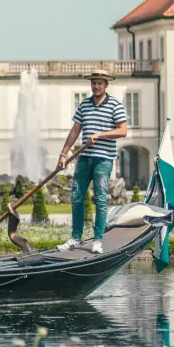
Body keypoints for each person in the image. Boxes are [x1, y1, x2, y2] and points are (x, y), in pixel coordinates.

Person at [56, 68, 129, 253]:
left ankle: (97, 240)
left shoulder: (115, 105)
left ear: (106, 85)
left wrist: (100, 134)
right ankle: (75, 238)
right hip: (84, 157)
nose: (96, 86)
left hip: (103, 159)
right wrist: (63, 153)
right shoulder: (85, 105)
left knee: (100, 198)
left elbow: (122, 131)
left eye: (99, 83)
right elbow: (75, 131)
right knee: (77, 197)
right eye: (93, 83)